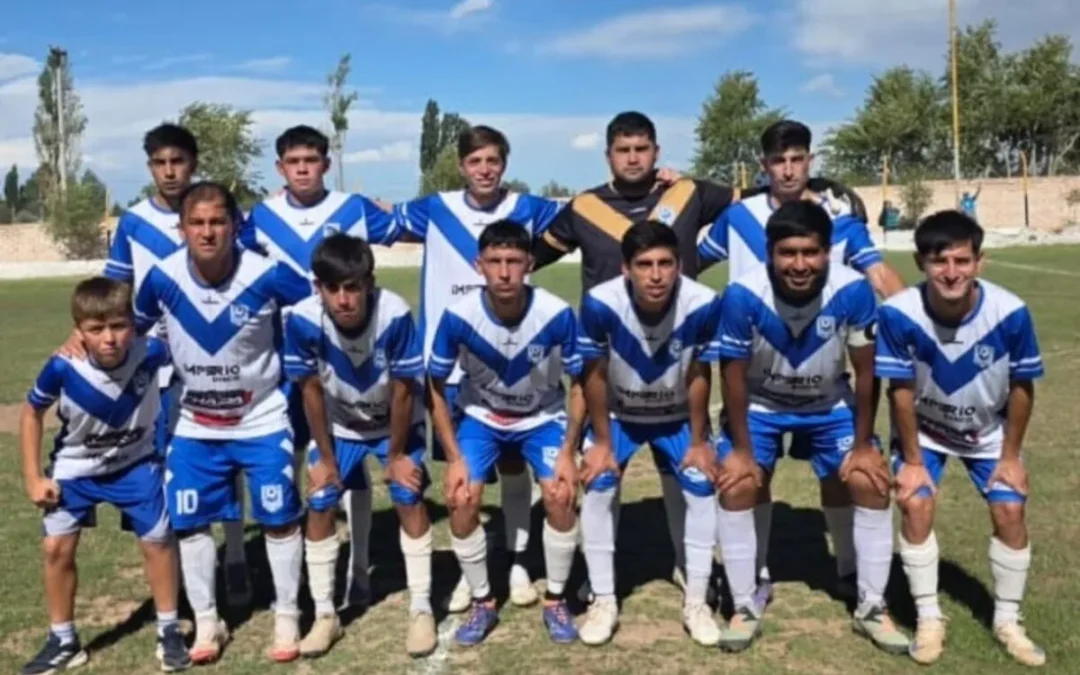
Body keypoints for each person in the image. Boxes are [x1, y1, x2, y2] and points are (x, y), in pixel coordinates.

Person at [698, 119, 906, 612]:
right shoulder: (737, 217)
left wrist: (916, 319)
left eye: (797, 159)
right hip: (757, 368)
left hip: (823, 370)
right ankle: (755, 574)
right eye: (778, 160)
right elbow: (687, 261)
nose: (788, 169)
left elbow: (878, 274)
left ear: (810, 161)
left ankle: (848, 570)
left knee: (842, 477)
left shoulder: (838, 220)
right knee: (752, 476)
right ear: (763, 166)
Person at [133, 182, 311, 664]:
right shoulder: (162, 278)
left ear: (235, 225)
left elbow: (315, 307)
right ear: (182, 227)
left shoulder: (268, 273)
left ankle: (287, 614)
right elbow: (134, 328)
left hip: (261, 416)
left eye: (217, 222)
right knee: (189, 523)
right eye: (197, 222)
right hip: (195, 422)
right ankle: (208, 621)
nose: (208, 232)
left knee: (278, 517)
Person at [395, 125, 565, 612]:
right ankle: (468, 572)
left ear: (504, 164)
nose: (485, 170)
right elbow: (377, 217)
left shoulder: (529, 208)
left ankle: (515, 561)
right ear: (461, 166)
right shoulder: (434, 208)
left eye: (493, 160)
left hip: (509, 356)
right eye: (475, 162)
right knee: (458, 474)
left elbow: (585, 215)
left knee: (513, 464)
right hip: (446, 364)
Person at [876, 210, 1045, 667]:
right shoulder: (898, 313)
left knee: (1010, 508)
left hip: (989, 433)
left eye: (961, 261)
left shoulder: (1009, 313)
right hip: (926, 434)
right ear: (920, 263)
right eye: (939, 261)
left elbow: (1022, 387)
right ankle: (929, 618)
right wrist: (911, 461)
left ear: (980, 262)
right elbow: (902, 392)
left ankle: (1008, 621)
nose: (951, 272)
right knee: (915, 502)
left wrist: (1010, 455)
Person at [96, 123, 256, 605]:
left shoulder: (223, 216)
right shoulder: (133, 223)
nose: (170, 171)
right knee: (173, 470)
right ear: (150, 167)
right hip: (159, 372)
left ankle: (236, 560)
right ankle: (186, 577)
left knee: (227, 463)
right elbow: (115, 291)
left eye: (178, 161)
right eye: (160, 163)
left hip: (221, 360)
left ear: (193, 163)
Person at [241, 124, 399, 609]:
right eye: (294, 161)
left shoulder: (352, 209)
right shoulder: (260, 218)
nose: (304, 168)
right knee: (286, 464)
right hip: (280, 361)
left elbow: (417, 226)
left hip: (345, 359)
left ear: (326, 164)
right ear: (280, 168)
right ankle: (290, 580)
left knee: (349, 464)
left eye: (312, 160)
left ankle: (359, 570)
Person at [19, 278, 190, 674]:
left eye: (118, 326)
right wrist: (32, 478)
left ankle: (168, 629)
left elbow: (184, 367)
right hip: (76, 468)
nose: (110, 338)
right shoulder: (63, 367)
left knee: (159, 541)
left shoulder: (153, 352)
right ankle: (63, 640)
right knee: (56, 549)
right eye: (96, 330)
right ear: (78, 331)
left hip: (135, 463)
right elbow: (31, 413)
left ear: (133, 324)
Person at [427, 221, 583, 646]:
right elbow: (435, 387)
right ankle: (483, 600)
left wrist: (569, 450)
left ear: (529, 263)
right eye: (494, 261)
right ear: (479, 266)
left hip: (542, 417)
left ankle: (555, 600)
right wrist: (454, 456)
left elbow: (582, 383)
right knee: (461, 498)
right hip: (482, 417)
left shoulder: (555, 313)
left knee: (561, 494)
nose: (504, 272)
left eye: (514, 261)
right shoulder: (459, 316)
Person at [283, 234, 437, 658]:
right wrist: (327, 459)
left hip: (395, 426)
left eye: (352, 287)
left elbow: (405, 391)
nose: (343, 299)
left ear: (369, 282)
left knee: (407, 495)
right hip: (342, 427)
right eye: (332, 288)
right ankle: (325, 615)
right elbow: (311, 391)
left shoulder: (394, 314)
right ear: (318, 288)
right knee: (319, 500)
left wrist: (396, 455)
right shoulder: (301, 319)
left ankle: (422, 609)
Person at [576, 221, 725, 647]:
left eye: (665, 263)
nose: (656, 275)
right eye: (645, 265)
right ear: (626, 268)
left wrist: (698, 443)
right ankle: (603, 598)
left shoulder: (702, 303)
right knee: (600, 484)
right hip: (620, 416)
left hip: (677, 416)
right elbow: (595, 374)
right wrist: (602, 443)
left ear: (679, 266)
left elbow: (700, 373)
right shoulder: (600, 303)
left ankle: (697, 601)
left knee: (700, 487)